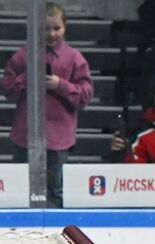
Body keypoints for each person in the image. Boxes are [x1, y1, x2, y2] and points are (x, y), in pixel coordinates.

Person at [0, 3, 93, 206]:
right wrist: (28, 77)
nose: (51, 34)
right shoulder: (23, 57)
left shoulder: (75, 59)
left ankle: (54, 229)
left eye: (56, 28)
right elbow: (6, 87)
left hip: (58, 139)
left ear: (65, 27)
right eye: (45, 28)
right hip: (26, 136)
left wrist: (61, 85)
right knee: (21, 189)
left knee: (55, 190)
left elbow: (85, 94)